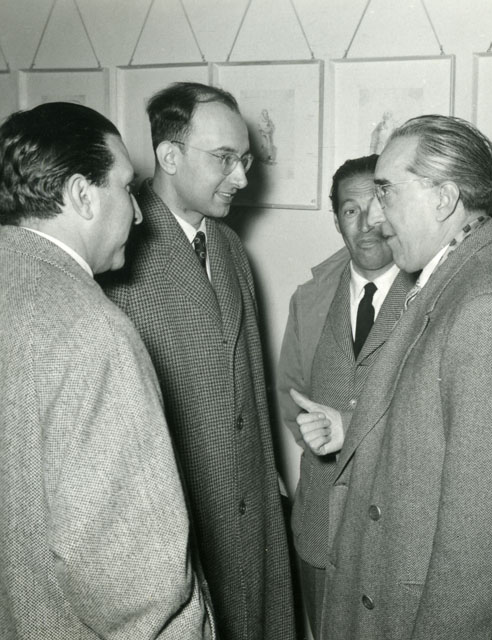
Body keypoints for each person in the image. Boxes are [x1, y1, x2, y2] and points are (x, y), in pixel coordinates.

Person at [299, 115, 492, 639]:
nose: (375, 216)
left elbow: (482, 548)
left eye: (386, 191)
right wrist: (353, 429)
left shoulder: (488, 309)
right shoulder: (460, 272)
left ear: (445, 199)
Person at [0, 102, 214, 639]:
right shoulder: (92, 329)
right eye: (125, 187)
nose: (138, 214)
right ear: (81, 194)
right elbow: (137, 582)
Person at [99, 82, 295, 640]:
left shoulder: (229, 245)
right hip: (177, 518)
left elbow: (249, 386)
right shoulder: (116, 252)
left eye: (245, 160)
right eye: (224, 158)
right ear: (169, 155)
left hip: (248, 509)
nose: (242, 178)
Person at [277, 154, 415, 638]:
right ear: (336, 220)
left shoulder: (432, 294)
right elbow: (291, 394)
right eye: (350, 211)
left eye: (375, 206)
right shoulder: (311, 298)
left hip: (398, 531)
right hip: (319, 526)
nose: (366, 224)